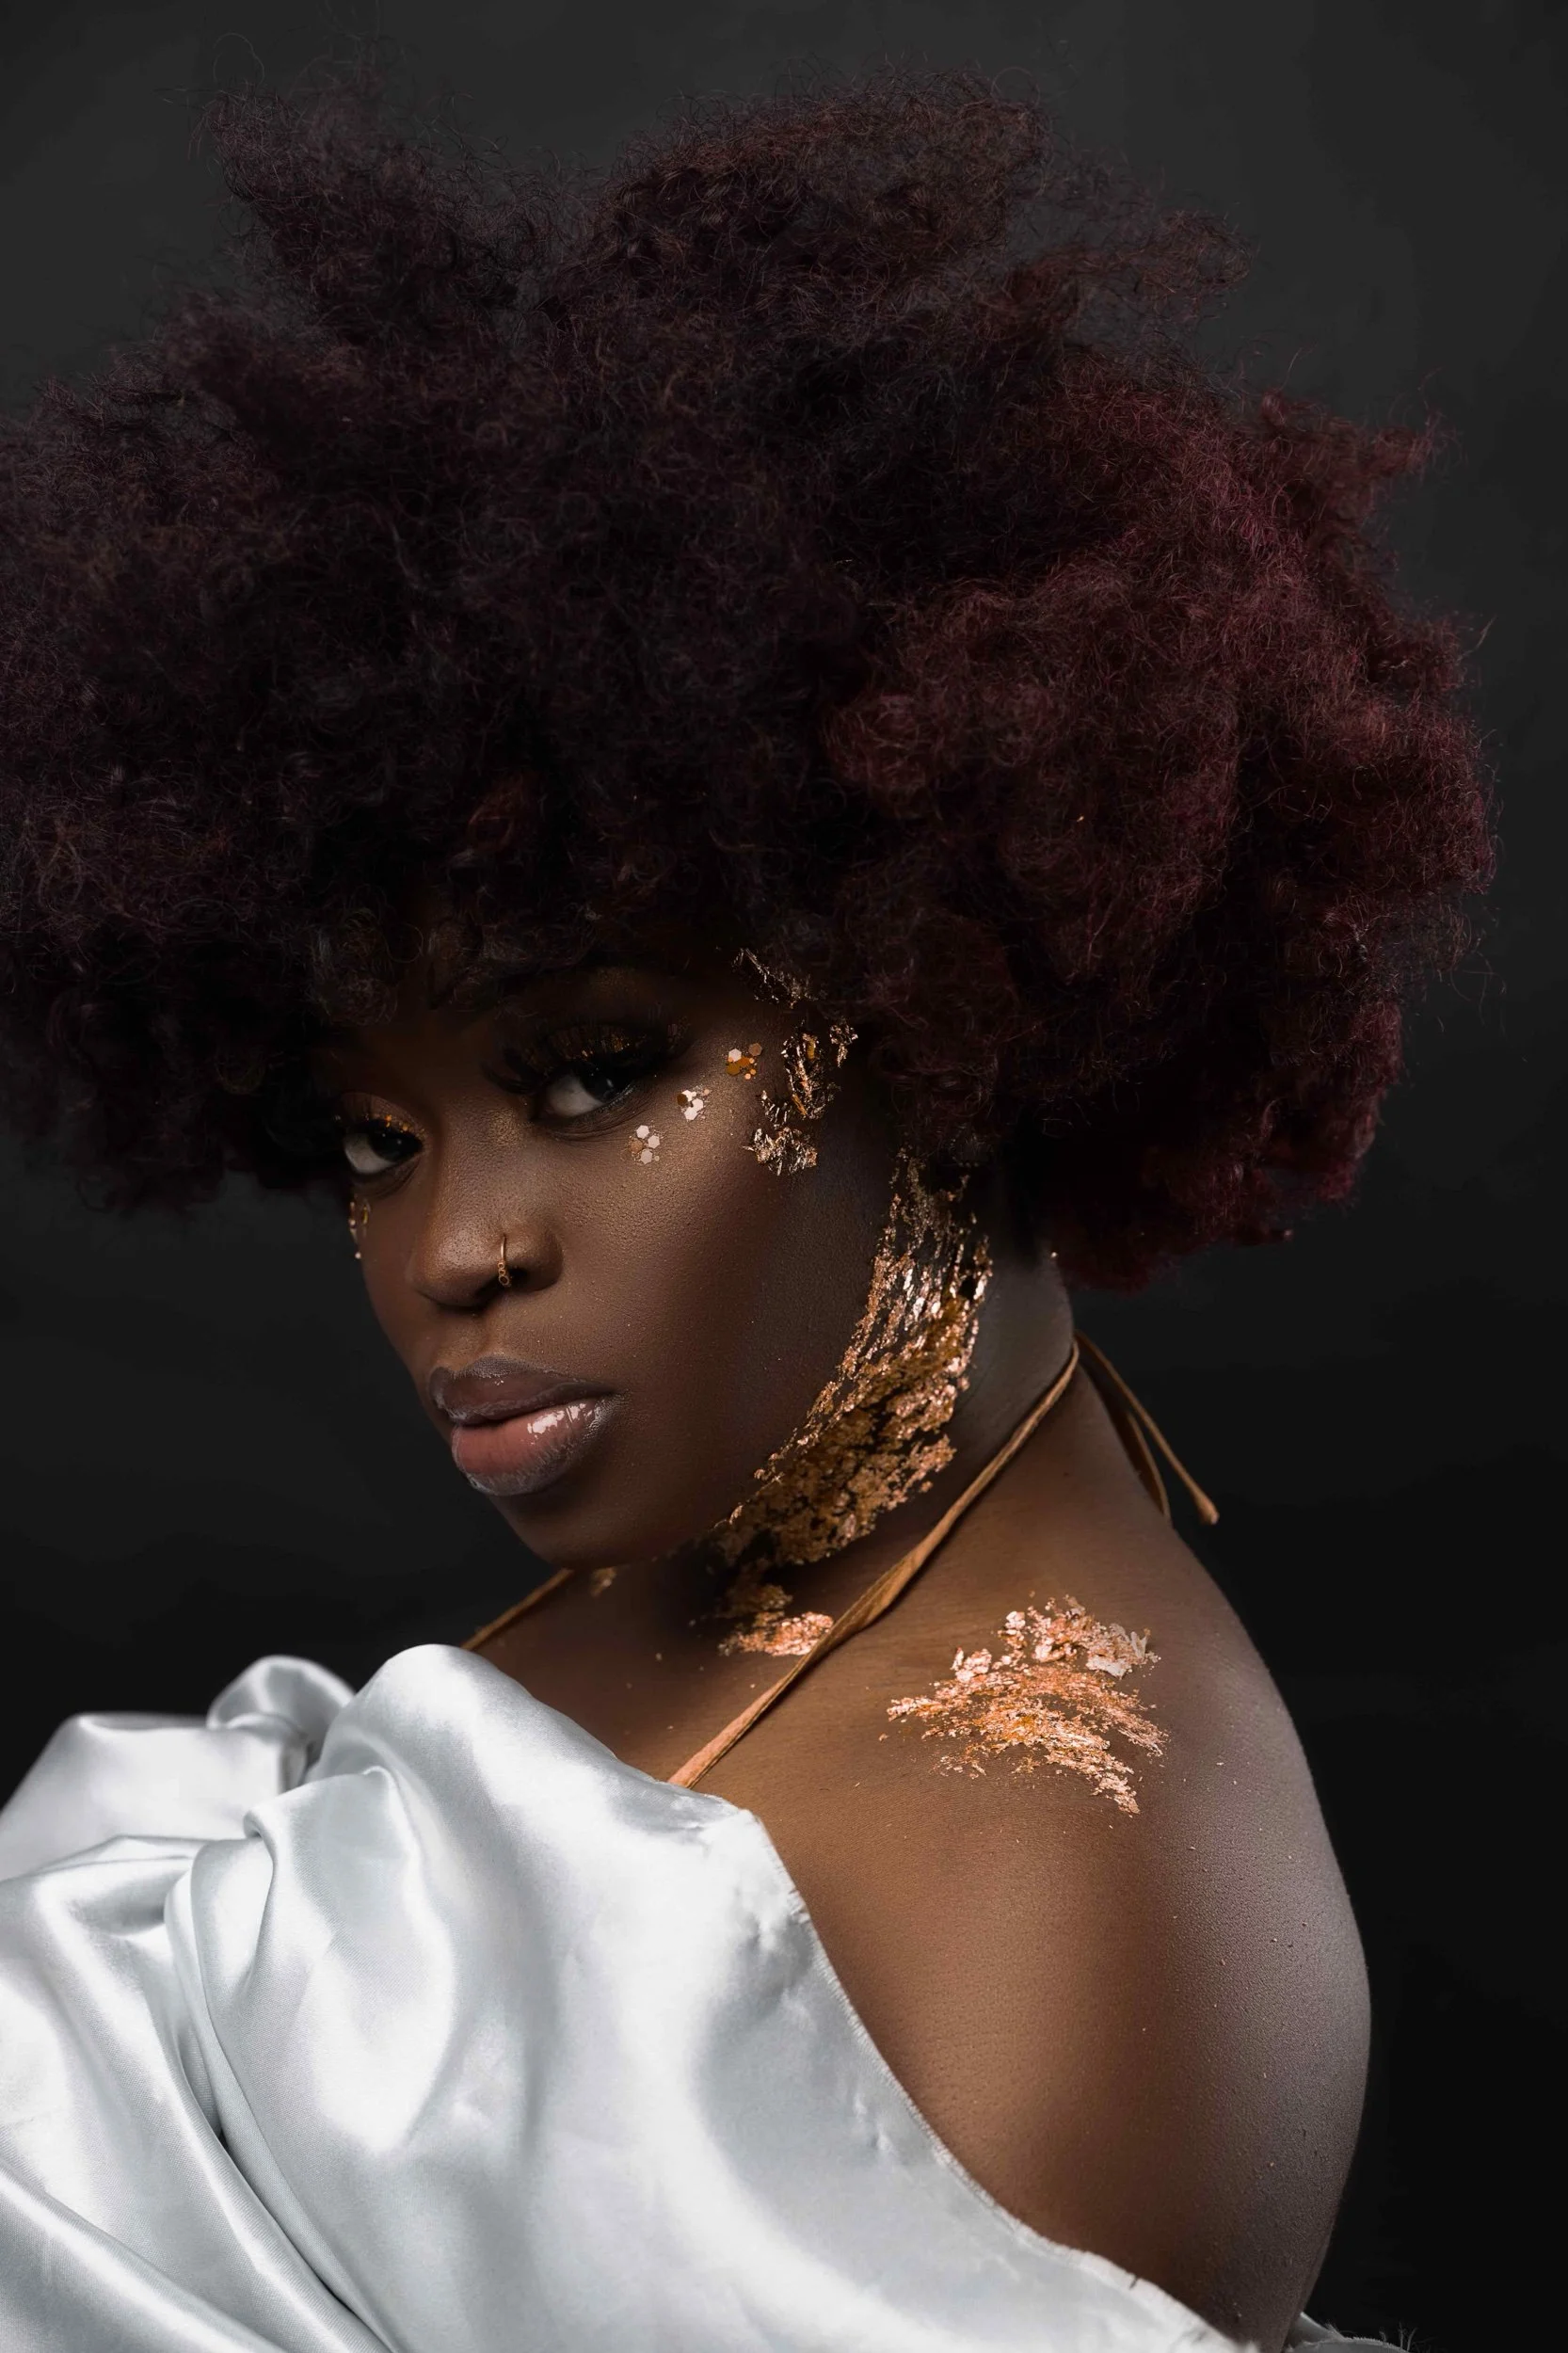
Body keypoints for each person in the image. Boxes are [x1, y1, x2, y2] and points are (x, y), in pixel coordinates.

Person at [0, 64, 1488, 2353]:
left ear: (948, 1000)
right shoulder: (719, 1552)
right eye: (373, 1141)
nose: (452, 1251)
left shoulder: (1053, 1900)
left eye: (593, 1072)